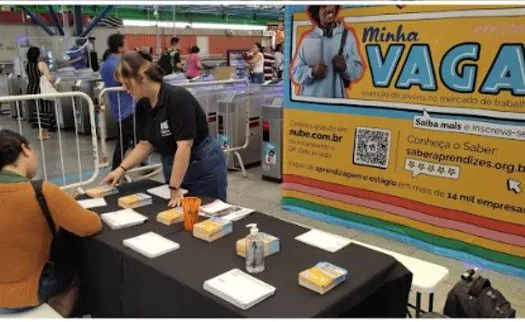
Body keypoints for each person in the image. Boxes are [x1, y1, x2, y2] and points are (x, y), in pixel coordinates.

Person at [102, 51, 227, 206]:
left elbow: (184, 146)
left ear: (142, 77)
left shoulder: (177, 98)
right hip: (174, 164)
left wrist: (174, 186)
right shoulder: (143, 105)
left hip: (201, 165)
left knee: (207, 211)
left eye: (127, 84)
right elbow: (145, 144)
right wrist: (121, 169)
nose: (125, 90)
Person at [0, 130, 102, 316]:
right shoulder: (41, 192)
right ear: (25, 150)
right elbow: (90, 225)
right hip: (26, 294)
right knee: (73, 275)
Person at [292, 5, 364, 98]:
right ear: (317, 12)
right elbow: (296, 73)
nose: (329, 9)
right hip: (309, 104)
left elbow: (358, 70)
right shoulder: (308, 38)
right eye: (323, 6)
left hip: (335, 104)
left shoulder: (347, 36)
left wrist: (345, 67)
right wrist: (312, 72)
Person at [100, 34, 140, 171]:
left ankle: (143, 164)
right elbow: (127, 82)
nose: (127, 46)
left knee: (134, 139)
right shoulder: (119, 64)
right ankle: (115, 171)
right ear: (120, 47)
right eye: (125, 43)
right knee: (124, 142)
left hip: (117, 107)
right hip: (126, 107)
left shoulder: (105, 64)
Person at [25, 46, 56, 141]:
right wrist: (54, 83)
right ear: (38, 55)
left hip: (31, 89)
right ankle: (42, 134)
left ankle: (43, 133)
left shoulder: (28, 65)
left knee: (37, 111)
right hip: (41, 89)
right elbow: (49, 77)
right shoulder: (42, 64)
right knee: (45, 110)